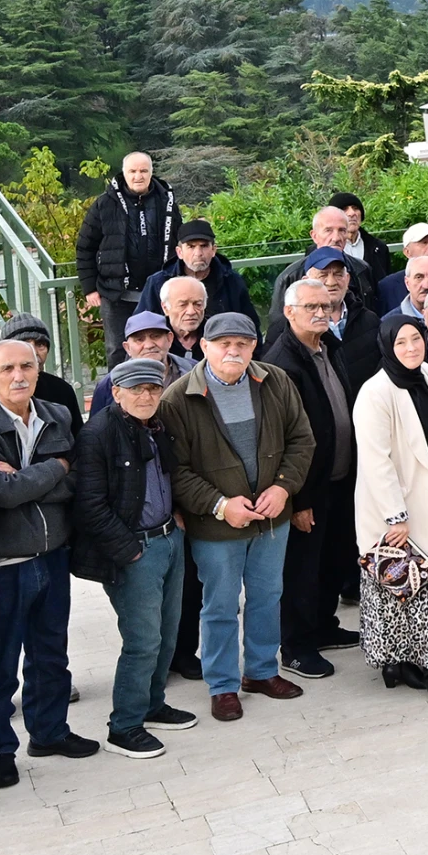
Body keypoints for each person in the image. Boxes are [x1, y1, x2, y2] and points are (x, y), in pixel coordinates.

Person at [156, 313, 317, 722]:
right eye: (223, 343)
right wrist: (219, 505)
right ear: (204, 347)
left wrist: (283, 488)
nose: (234, 350)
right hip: (215, 526)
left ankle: (261, 672)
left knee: (267, 596)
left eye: (242, 343)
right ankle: (223, 685)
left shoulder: (276, 381)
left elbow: (302, 440)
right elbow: (176, 470)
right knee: (220, 606)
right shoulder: (178, 398)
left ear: (253, 347)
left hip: (271, 519)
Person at [0, 337, 89, 787]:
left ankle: (49, 732)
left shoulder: (59, 415)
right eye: (7, 369)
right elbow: (3, 494)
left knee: (51, 655)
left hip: (52, 557)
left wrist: (31, 480)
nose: (18, 376)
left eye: (26, 366)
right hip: (4, 566)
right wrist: (57, 470)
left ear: (38, 369)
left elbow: (77, 481)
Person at [66, 354, 191, 756]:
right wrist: (131, 551)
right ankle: (124, 725)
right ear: (116, 392)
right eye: (136, 389)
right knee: (142, 640)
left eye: (153, 387)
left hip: (169, 540)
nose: (146, 395)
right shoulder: (97, 433)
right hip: (135, 550)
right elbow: (89, 504)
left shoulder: (159, 422)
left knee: (167, 634)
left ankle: (153, 705)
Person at [350, 318, 428, 701]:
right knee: (414, 587)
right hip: (397, 507)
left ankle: (401, 663)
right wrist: (394, 516)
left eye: (416, 339)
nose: (411, 348)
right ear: (387, 346)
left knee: (413, 583)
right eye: (401, 342)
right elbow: (375, 459)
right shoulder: (375, 392)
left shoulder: (426, 375)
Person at [261, 284, 373, 680]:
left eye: (327, 305)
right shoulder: (282, 362)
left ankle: (324, 626)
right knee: (302, 569)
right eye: (311, 306)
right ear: (289, 312)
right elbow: (281, 438)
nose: (322, 312)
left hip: (340, 478)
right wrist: (299, 499)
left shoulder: (328, 347)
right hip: (308, 487)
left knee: (334, 558)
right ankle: (295, 645)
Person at [75, 149, 179, 355]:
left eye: (143, 171)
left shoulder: (166, 202)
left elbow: (178, 244)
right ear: (124, 173)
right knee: (117, 349)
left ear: (151, 172)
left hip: (159, 292)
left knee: (163, 347)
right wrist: (89, 288)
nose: (138, 176)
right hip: (116, 294)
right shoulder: (104, 204)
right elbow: (85, 247)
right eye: (132, 171)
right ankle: (119, 388)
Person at [133, 223, 250, 336]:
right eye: (191, 246)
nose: (198, 253)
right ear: (179, 252)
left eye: (204, 246)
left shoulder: (232, 281)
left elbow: (248, 324)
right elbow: (140, 327)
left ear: (213, 250)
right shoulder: (158, 282)